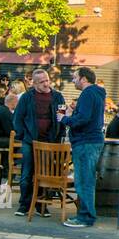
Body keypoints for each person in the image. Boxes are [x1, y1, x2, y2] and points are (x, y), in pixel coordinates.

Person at [12, 69, 66, 217]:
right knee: (27, 173)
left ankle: (41, 205)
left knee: (44, 174)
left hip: (49, 141)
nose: (45, 84)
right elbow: (18, 118)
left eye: (47, 80)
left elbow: (61, 117)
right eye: (41, 82)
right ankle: (24, 204)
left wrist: (60, 135)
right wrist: (22, 135)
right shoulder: (27, 97)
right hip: (30, 140)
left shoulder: (58, 96)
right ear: (34, 83)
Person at [58, 67, 107, 229]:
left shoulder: (87, 93)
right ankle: (86, 214)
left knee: (83, 180)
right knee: (87, 179)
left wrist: (64, 118)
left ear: (84, 79)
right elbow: (88, 116)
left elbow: (83, 119)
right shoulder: (98, 93)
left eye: (75, 78)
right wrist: (73, 113)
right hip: (93, 140)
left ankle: (85, 217)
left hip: (85, 141)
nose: (73, 81)